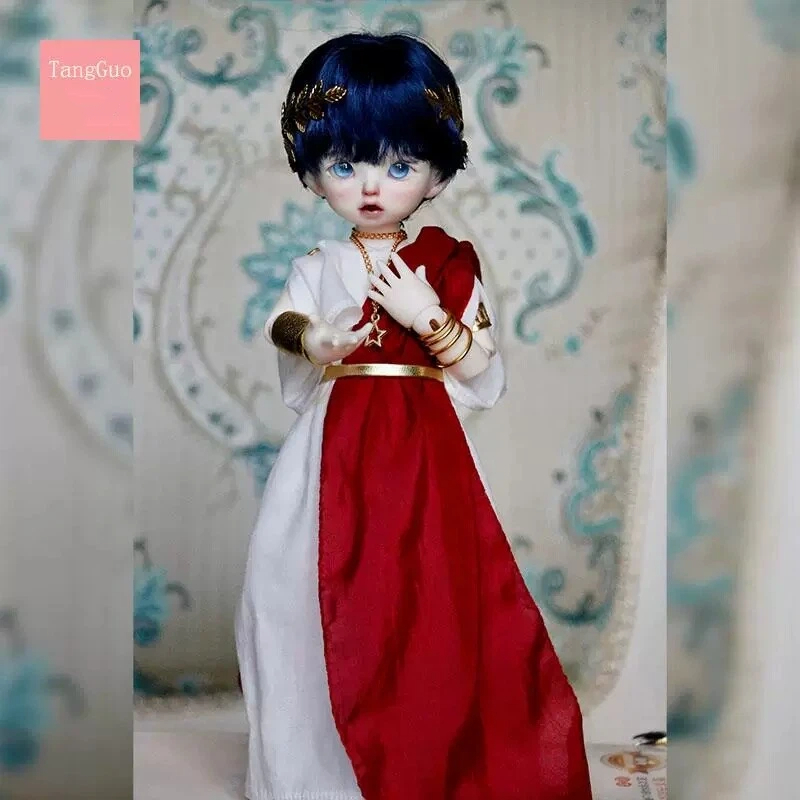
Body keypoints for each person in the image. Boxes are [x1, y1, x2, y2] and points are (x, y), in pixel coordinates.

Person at [235, 31, 593, 800]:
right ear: (312, 169)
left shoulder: (449, 266)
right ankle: (314, 776)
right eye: (345, 164)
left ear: (436, 174)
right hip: (329, 457)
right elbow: (285, 323)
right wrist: (319, 338)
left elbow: (480, 368)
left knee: (429, 599)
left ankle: (425, 759)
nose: (371, 185)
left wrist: (426, 313)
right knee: (295, 591)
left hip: (423, 457)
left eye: (399, 165)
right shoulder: (318, 266)